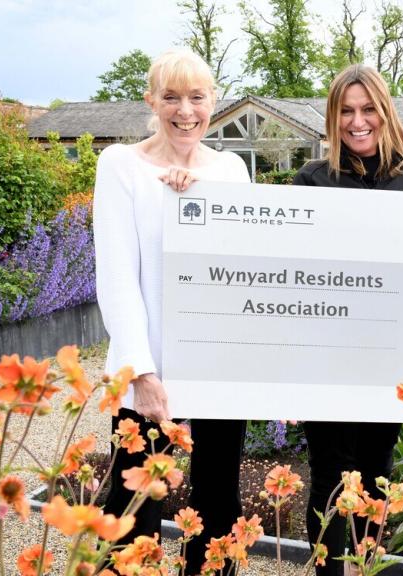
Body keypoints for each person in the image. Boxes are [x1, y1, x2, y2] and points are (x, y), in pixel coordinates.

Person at [93, 48, 250, 574]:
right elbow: (117, 278)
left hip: (218, 367)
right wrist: (142, 371)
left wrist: (198, 197)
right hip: (149, 367)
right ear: (151, 100)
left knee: (217, 506)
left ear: (214, 102)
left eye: (198, 97)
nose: (186, 110)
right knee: (134, 505)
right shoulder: (121, 164)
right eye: (172, 97)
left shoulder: (231, 168)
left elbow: (244, 261)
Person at [292, 63, 403, 576]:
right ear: (333, 118)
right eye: (346, 111)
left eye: (367, 109)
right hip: (327, 355)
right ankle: (330, 571)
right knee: (330, 472)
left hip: (387, 356)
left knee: (376, 472)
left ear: (384, 112)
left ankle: (365, 567)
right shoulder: (311, 179)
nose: (357, 121)